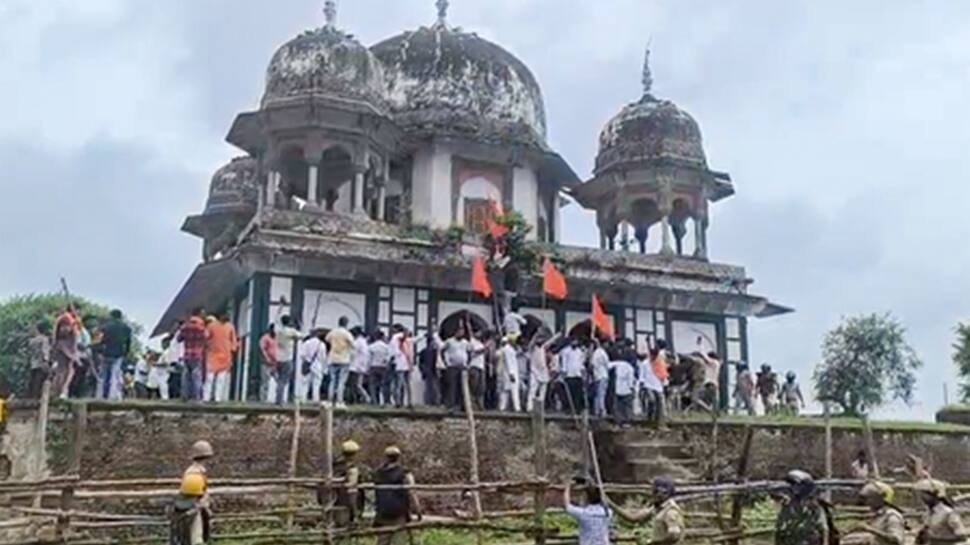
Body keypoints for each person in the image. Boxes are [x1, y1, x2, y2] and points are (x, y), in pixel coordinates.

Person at [609, 477, 684, 545]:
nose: (653, 494)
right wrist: (610, 504)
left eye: (655, 491)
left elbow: (674, 534)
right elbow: (633, 517)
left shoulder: (670, 511)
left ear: (663, 493)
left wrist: (656, 542)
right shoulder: (658, 508)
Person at [372, 446, 422, 545]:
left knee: (382, 540)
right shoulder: (405, 473)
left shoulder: (378, 473)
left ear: (386, 457)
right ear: (399, 457)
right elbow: (412, 491)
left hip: (383, 511)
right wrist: (418, 510)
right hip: (399, 511)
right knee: (399, 540)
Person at [170, 440, 214, 545]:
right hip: (193, 510)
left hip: (188, 508)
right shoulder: (196, 473)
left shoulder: (190, 471)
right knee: (195, 537)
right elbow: (195, 494)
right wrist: (204, 503)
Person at [775, 470, 833, 545]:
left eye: (795, 485)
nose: (792, 488)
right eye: (792, 485)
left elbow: (823, 530)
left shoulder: (813, 506)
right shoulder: (787, 506)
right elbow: (779, 529)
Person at [842, 481, 904, 545]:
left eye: (871, 499)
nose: (867, 502)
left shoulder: (892, 516)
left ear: (881, 498)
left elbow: (896, 540)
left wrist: (870, 529)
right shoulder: (879, 515)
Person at [914, 478, 969, 545]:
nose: (922, 498)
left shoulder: (948, 513)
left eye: (925, 494)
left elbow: (962, 536)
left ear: (935, 495)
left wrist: (939, 540)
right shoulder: (927, 513)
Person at [327, 440, 364, 528]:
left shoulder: (336, 465)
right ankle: (355, 518)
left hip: (336, 494)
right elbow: (353, 482)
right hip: (348, 493)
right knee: (351, 507)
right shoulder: (351, 467)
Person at [564, 479, 613, 545]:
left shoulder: (583, 514)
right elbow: (606, 505)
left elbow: (567, 505)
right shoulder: (607, 513)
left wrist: (567, 487)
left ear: (587, 498)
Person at [203, 313, 237, 403]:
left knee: (217, 378)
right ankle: (209, 397)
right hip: (217, 355)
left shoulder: (229, 327)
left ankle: (215, 397)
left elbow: (205, 337)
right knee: (212, 378)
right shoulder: (213, 326)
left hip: (221, 355)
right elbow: (234, 343)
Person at [51, 306, 82, 399]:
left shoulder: (65, 319)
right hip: (66, 348)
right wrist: (74, 324)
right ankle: (62, 390)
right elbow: (66, 331)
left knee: (65, 370)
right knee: (66, 371)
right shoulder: (66, 318)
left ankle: (60, 391)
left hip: (66, 347)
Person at [178, 309, 208, 402]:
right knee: (197, 376)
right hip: (197, 354)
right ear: (199, 314)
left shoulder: (185, 326)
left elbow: (179, 339)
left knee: (186, 376)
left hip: (187, 354)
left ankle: (184, 396)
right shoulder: (201, 327)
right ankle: (197, 397)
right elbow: (206, 337)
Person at [527, 331, 561, 413]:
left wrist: (558, 335)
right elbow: (532, 342)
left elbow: (551, 341)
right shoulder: (532, 349)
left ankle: (540, 408)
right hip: (534, 372)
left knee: (543, 392)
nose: (540, 341)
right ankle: (530, 407)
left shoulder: (543, 348)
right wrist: (536, 334)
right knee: (532, 390)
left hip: (543, 372)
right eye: (539, 340)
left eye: (542, 340)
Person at [325, 317, 355, 408]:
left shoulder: (333, 332)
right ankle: (339, 401)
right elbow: (353, 345)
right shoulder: (347, 334)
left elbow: (327, 339)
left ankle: (329, 401)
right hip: (344, 359)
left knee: (332, 381)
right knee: (341, 381)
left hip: (333, 358)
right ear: (346, 323)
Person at [441, 322, 471, 411]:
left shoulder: (465, 342)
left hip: (463, 367)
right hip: (452, 367)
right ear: (456, 332)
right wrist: (446, 362)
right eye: (460, 331)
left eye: (463, 332)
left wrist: (467, 362)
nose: (461, 333)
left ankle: (462, 405)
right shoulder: (449, 341)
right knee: (452, 386)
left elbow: (470, 351)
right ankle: (451, 405)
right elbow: (442, 350)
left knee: (462, 387)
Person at [273, 315, 302, 405]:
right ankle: (280, 400)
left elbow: (275, 322)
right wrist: (298, 325)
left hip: (278, 358)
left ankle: (278, 398)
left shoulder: (278, 331)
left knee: (279, 380)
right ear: (289, 322)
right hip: (287, 358)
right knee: (283, 380)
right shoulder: (290, 331)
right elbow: (301, 335)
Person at [298, 329, 327, 404]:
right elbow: (323, 357)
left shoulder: (307, 343)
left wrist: (307, 360)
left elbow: (302, 355)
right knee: (316, 384)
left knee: (305, 383)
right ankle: (315, 399)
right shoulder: (322, 344)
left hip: (307, 365)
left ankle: (302, 399)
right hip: (318, 365)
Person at [560, 338, 587, 414]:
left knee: (578, 394)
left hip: (578, 375)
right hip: (569, 375)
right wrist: (564, 373)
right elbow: (564, 364)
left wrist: (583, 374)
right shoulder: (565, 351)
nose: (575, 342)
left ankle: (577, 409)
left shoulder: (580, 352)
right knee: (569, 394)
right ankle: (569, 409)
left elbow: (581, 364)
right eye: (573, 341)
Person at [609, 350, 637, 426]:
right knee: (627, 406)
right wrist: (632, 389)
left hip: (618, 388)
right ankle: (628, 420)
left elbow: (608, 365)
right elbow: (630, 381)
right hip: (627, 390)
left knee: (618, 407)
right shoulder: (630, 368)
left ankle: (619, 421)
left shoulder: (618, 364)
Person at [417, 325, 442, 406]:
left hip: (430, 371)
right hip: (431, 371)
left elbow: (420, 363)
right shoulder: (431, 351)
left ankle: (431, 402)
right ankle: (433, 402)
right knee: (433, 388)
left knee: (430, 388)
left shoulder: (424, 351)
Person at [26, 320, 52, 399]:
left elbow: (29, 353)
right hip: (41, 364)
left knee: (33, 383)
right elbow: (45, 352)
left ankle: (31, 398)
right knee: (40, 383)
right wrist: (46, 362)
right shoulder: (44, 339)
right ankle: (37, 399)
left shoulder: (32, 341)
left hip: (33, 364)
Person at [389, 326, 414, 408]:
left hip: (405, 364)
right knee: (400, 384)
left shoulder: (407, 341)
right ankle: (399, 402)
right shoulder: (397, 339)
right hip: (401, 365)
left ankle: (407, 402)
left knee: (405, 384)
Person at [368, 330, 392, 405]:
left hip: (373, 366)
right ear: (382, 337)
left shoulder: (371, 347)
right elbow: (389, 357)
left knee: (373, 385)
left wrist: (367, 367)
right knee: (384, 385)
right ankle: (385, 401)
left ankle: (374, 401)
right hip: (383, 367)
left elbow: (368, 358)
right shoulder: (386, 347)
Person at [497, 336, 521, 412]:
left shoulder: (506, 350)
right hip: (511, 374)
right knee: (513, 391)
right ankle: (517, 408)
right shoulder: (507, 349)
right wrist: (511, 373)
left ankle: (502, 407)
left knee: (505, 391)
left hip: (507, 373)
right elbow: (509, 362)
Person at [349, 327, 371, 405]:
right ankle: (358, 399)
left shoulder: (357, 342)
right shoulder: (363, 342)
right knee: (357, 384)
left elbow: (352, 354)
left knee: (356, 385)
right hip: (361, 366)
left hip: (355, 366)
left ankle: (366, 398)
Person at [468, 330, 488, 410]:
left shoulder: (481, 343)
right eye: (478, 332)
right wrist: (485, 347)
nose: (480, 333)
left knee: (481, 388)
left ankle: (480, 405)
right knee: (473, 386)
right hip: (474, 366)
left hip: (481, 367)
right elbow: (476, 351)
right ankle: (471, 404)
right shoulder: (472, 341)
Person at [590, 339, 610, 418]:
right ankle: (602, 410)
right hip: (603, 375)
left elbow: (591, 365)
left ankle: (596, 410)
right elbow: (607, 365)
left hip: (596, 376)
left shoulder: (595, 353)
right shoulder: (602, 353)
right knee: (601, 394)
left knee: (597, 395)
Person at [259, 325, 279, 404]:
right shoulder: (265, 338)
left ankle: (278, 399)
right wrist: (267, 358)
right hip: (266, 363)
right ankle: (263, 400)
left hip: (275, 363)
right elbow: (262, 349)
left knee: (279, 381)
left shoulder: (277, 338)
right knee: (265, 382)